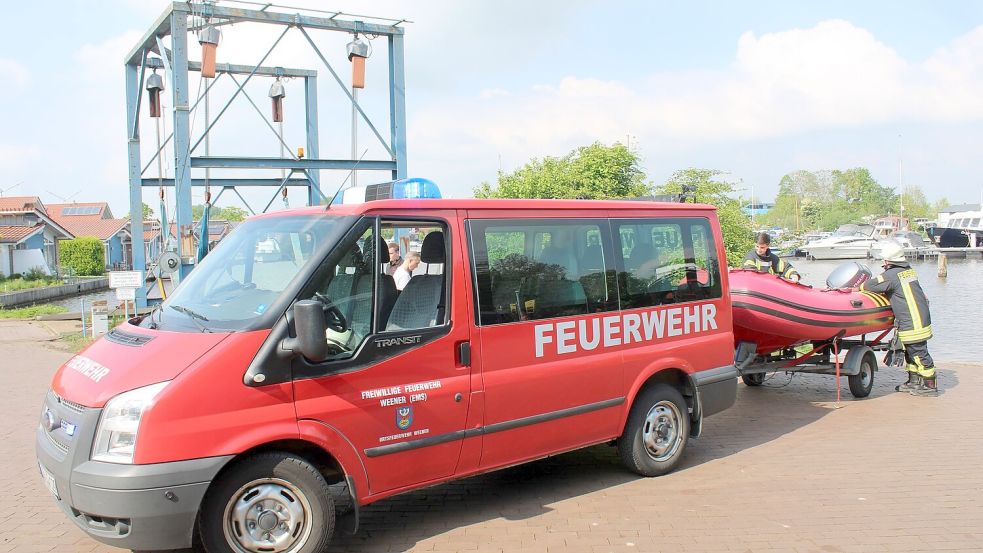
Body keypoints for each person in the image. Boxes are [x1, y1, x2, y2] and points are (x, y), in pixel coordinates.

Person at [857, 241, 937, 396]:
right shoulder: (908, 271)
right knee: (911, 353)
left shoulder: (891, 275)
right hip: (918, 318)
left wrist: (856, 288)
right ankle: (914, 382)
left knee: (919, 354)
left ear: (887, 261)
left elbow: (869, 285)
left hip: (912, 321)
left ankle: (930, 386)